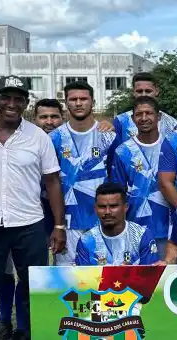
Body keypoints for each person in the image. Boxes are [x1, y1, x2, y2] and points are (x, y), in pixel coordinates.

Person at [0, 76, 66, 340]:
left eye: (18, 98)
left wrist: (58, 225)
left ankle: (33, 333)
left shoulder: (37, 137)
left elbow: (53, 181)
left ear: (26, 102)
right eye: (6, 98)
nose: (12, 103)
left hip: (29, 224)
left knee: (34, 287)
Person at [50, 81, 116, 266]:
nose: (79, 103)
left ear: (93, 102)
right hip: (68, 224)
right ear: (66, 103)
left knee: (105, 282)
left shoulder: (108, 136)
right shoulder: (54, 138)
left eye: (83, 99)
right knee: (68, 283)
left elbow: (117, 178)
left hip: (103, 222)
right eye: (73, 99)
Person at [107, 97, 173, 258]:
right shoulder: (123, 151)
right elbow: (118, 192)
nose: (144, 118)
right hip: (135, 230)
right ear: (132, 119)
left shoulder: (172, 144)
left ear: (159, 116)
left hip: (168, 230)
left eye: (149, 113)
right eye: (139, 114)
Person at [75, 182, 159, 266]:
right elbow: (82, 277)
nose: (107, 212)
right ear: (95, 209)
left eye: (113, 206)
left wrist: (132, 273)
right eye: (102, 207)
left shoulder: (142, 235)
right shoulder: (86, 240)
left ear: (125, 207)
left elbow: (150, 276)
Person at [112, 73, 177, 144]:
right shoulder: (120, 121)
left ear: (157, 91)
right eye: (139, 91)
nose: (143, 95)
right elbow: (113, 152)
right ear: (133, 92)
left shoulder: (172, 123)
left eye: (148, 91)